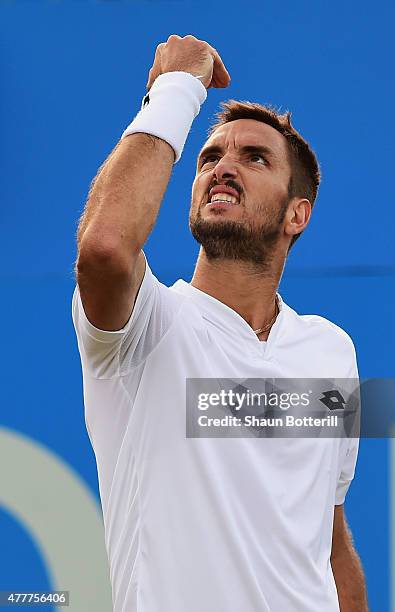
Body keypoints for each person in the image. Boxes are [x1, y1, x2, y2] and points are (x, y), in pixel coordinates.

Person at [72, 34, 368, 612]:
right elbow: (105, 247)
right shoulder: (145, 323)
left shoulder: (330, 350)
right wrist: (176, 89)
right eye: (211, 157)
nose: (223, 168)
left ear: (296, 214)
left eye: (254, 158)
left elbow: (327, 539)